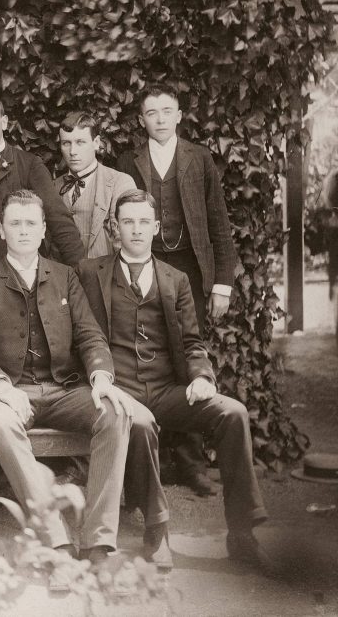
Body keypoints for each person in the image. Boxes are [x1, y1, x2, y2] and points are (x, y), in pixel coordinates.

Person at [77, 190, 268, 571]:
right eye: (127, 222)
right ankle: (156, 528)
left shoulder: (176, 279)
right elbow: (82, 335)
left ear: (156, 228)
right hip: (120, 389)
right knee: (141, 423)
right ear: (115, 228)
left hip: (165, 389)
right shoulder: (89, 273)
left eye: (143, 222)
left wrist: (201, 376)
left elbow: (194, 342)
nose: (135, 230)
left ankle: (243, 531)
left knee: (233, 413)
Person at [0, 190, 156, 570]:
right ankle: (56, 542)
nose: (23, 231)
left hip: (64, 389)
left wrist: (101, 377)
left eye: (30, 224)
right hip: (12, 392)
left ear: (42, 230)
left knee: (115, 411)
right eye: (15, 224)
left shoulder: (66, 277)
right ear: (1, 231)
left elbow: (89, 334)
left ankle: (99, 542)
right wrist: (2, 389)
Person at [117, 85, 239, 497]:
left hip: (188, 268)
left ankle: (190, 464)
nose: (160, 119)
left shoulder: (199, 158)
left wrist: (221, 283)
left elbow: (219, 225)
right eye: (152, 112)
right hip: (143, 264)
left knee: (189, 358)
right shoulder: (128, 161)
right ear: (142, 120)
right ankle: (147, 461)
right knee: (146, 356)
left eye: (167, 111)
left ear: (180, 115)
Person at [0, 92, 83, 269]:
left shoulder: (29, 165)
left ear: (3, 122)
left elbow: (60, 223)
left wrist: (81, 275)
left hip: (20, 276)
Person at [53, 111, 136, 259]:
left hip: (103, 277)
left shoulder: (120, 183)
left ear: (96, 143)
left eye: (80, 142)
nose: (73, 152)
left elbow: (125, 244)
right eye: (66, 143)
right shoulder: (53, 187)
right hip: (60, 278)